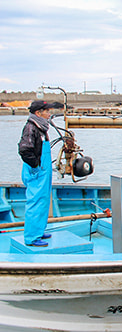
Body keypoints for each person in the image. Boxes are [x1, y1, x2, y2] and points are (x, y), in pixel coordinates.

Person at [18, 100, 59, 247]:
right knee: (35, 202)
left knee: (43, 201)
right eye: (46, 111)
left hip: (43, 171)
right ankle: (31, 237)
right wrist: (36, 166)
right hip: (36, 171)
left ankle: (39, 231)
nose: (49, 114)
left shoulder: (41, 128)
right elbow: (24, 150)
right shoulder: (31, 128)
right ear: (38, 113)